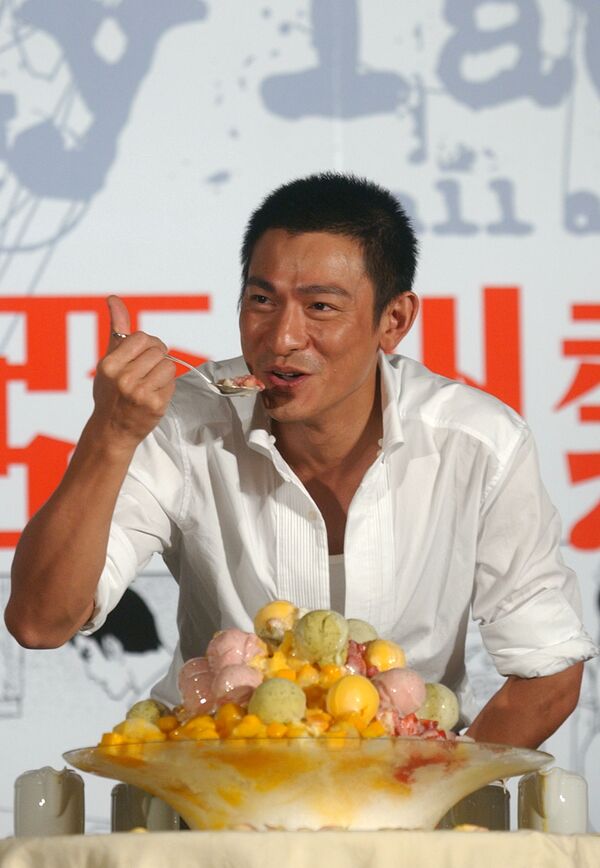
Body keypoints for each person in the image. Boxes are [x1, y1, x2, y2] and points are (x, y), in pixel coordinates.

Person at [5, 173, 597, 747]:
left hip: (410, 808)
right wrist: (111, 435)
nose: (282, 336)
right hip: (218, 794)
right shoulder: (181, 424)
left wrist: (424, 798)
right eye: (262, 299)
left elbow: (549, 674)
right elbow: (39, 621)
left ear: (394, 320)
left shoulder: (478, 444)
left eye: (320, 307)